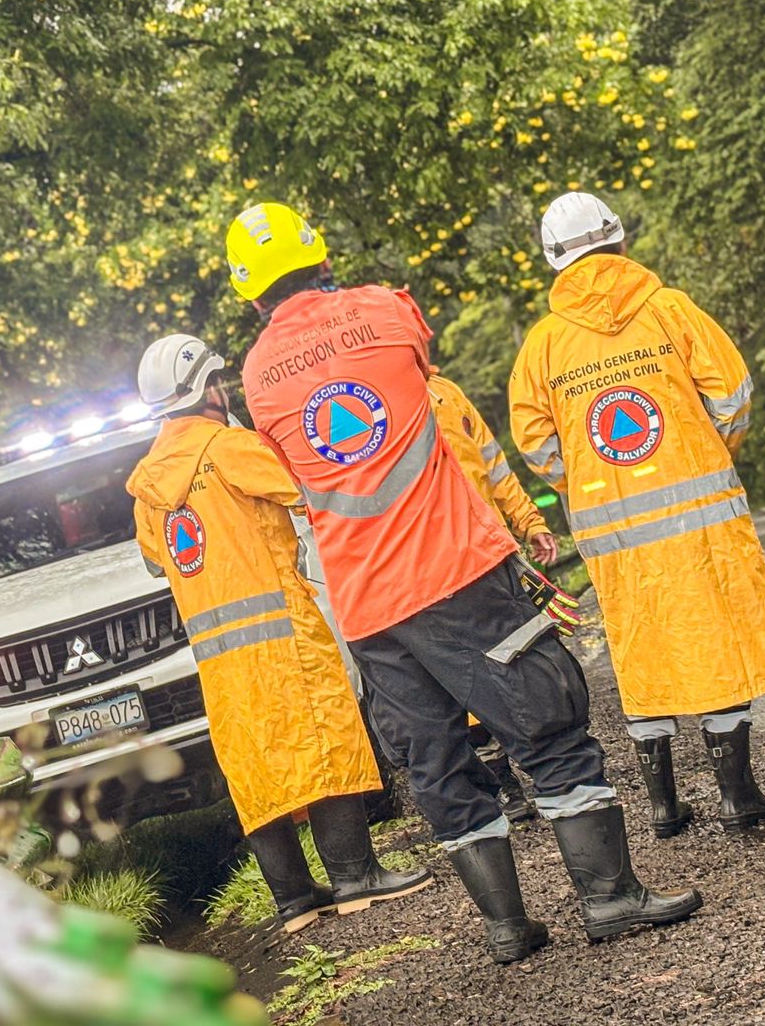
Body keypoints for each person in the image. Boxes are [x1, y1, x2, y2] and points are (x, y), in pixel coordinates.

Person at [228, 202, 702, 963]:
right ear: (322, 258)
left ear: (252, 297)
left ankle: (508, 928)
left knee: (437, 763)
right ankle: (610, 897)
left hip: (367, 609)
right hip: (456, 571)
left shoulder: (255, 376)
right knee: (547, 721)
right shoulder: (388, 310)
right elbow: (422, 374)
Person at [507, 191, 765, 838]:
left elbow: (533, 441)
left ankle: (665, 809)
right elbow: (733, 394)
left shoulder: (545, 345)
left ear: (555, 262)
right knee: (716, 637)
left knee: (640, 650)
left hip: (612, 533)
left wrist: (585, 480)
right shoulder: (670, 310)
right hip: (699, 514)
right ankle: (737, 797)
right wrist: (709, 451)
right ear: (618, 239)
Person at [127, 333, 431, 933]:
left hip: (219, 659)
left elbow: (157, 561)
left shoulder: (144, 488)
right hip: (282, 632)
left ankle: (293, 899)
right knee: (326, 735)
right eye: (219, 381)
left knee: (255, 762)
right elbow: (307, 491)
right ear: (208, 389)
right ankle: (355, 876)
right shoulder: (229, 447)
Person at [426, 369, 554, 823]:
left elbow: (494, 467)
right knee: (471, 679)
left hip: (492, 555)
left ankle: (546, 771)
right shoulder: (385, 404)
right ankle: (508, 786)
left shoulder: (448, 392)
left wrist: (529, 521)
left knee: (521, 664)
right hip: (438, 568)